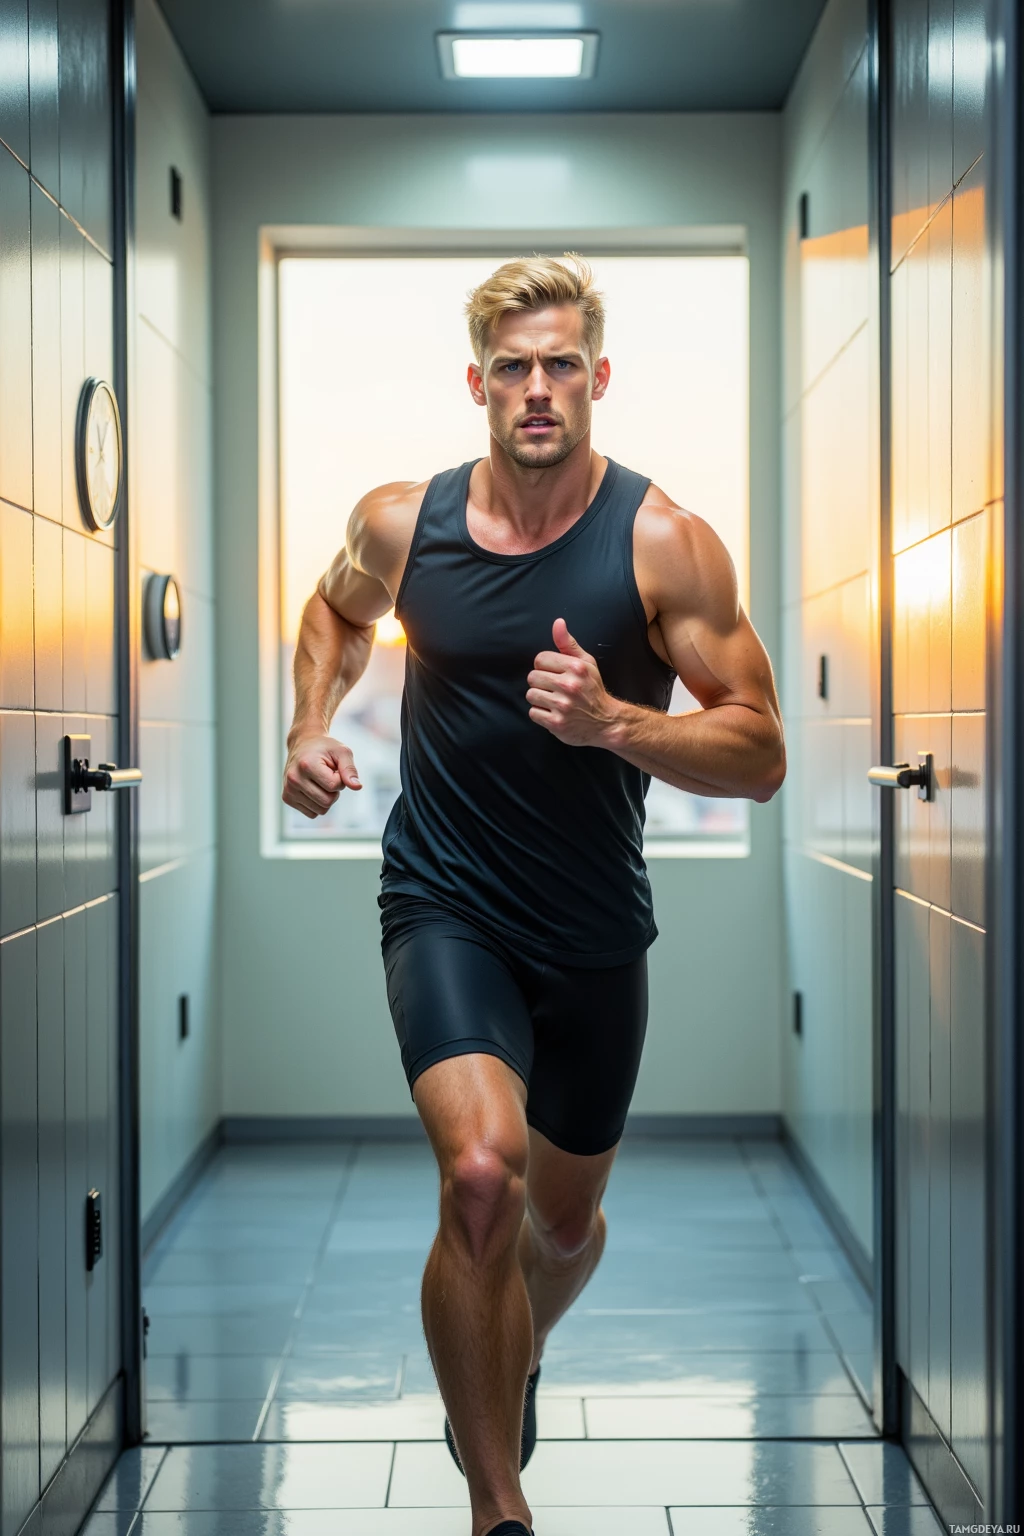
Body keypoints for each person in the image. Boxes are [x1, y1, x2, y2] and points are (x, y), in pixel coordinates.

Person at [282, 254, 785, 1536]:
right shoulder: (407, 522)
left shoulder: (665, 543)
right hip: (443, 902)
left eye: (562, 362)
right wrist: (306, 725)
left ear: (598, 378)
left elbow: (760, 749)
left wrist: (617, 723)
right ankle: (496, 1499)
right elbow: (333, 615)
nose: (539, 386)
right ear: (478, 384)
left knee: (560, 1232)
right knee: (483, 1181)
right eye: (513, 365)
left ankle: (511, 1352)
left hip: (595, 932)